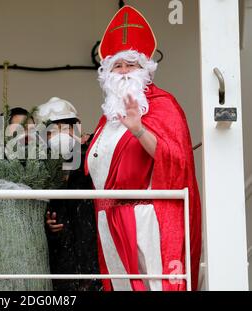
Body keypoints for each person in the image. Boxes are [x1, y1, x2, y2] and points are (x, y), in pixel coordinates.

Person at [84, 5, 201, 291]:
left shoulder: (163, 105)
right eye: (117, 65)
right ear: (106, 73)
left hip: (149, 221)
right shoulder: (106, 118)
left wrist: (138, 129)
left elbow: (177, 163)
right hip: (110, 221)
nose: (123, 72)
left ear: (145, 69)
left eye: (130, 64)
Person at [35, 97, 101, 291]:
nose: (60, 135)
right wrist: (46, 225)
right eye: (52, 131)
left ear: (77, 129)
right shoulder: (36, 170)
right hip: (58, 267)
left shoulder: (93, 158)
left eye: (66, 128)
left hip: (94, 260)